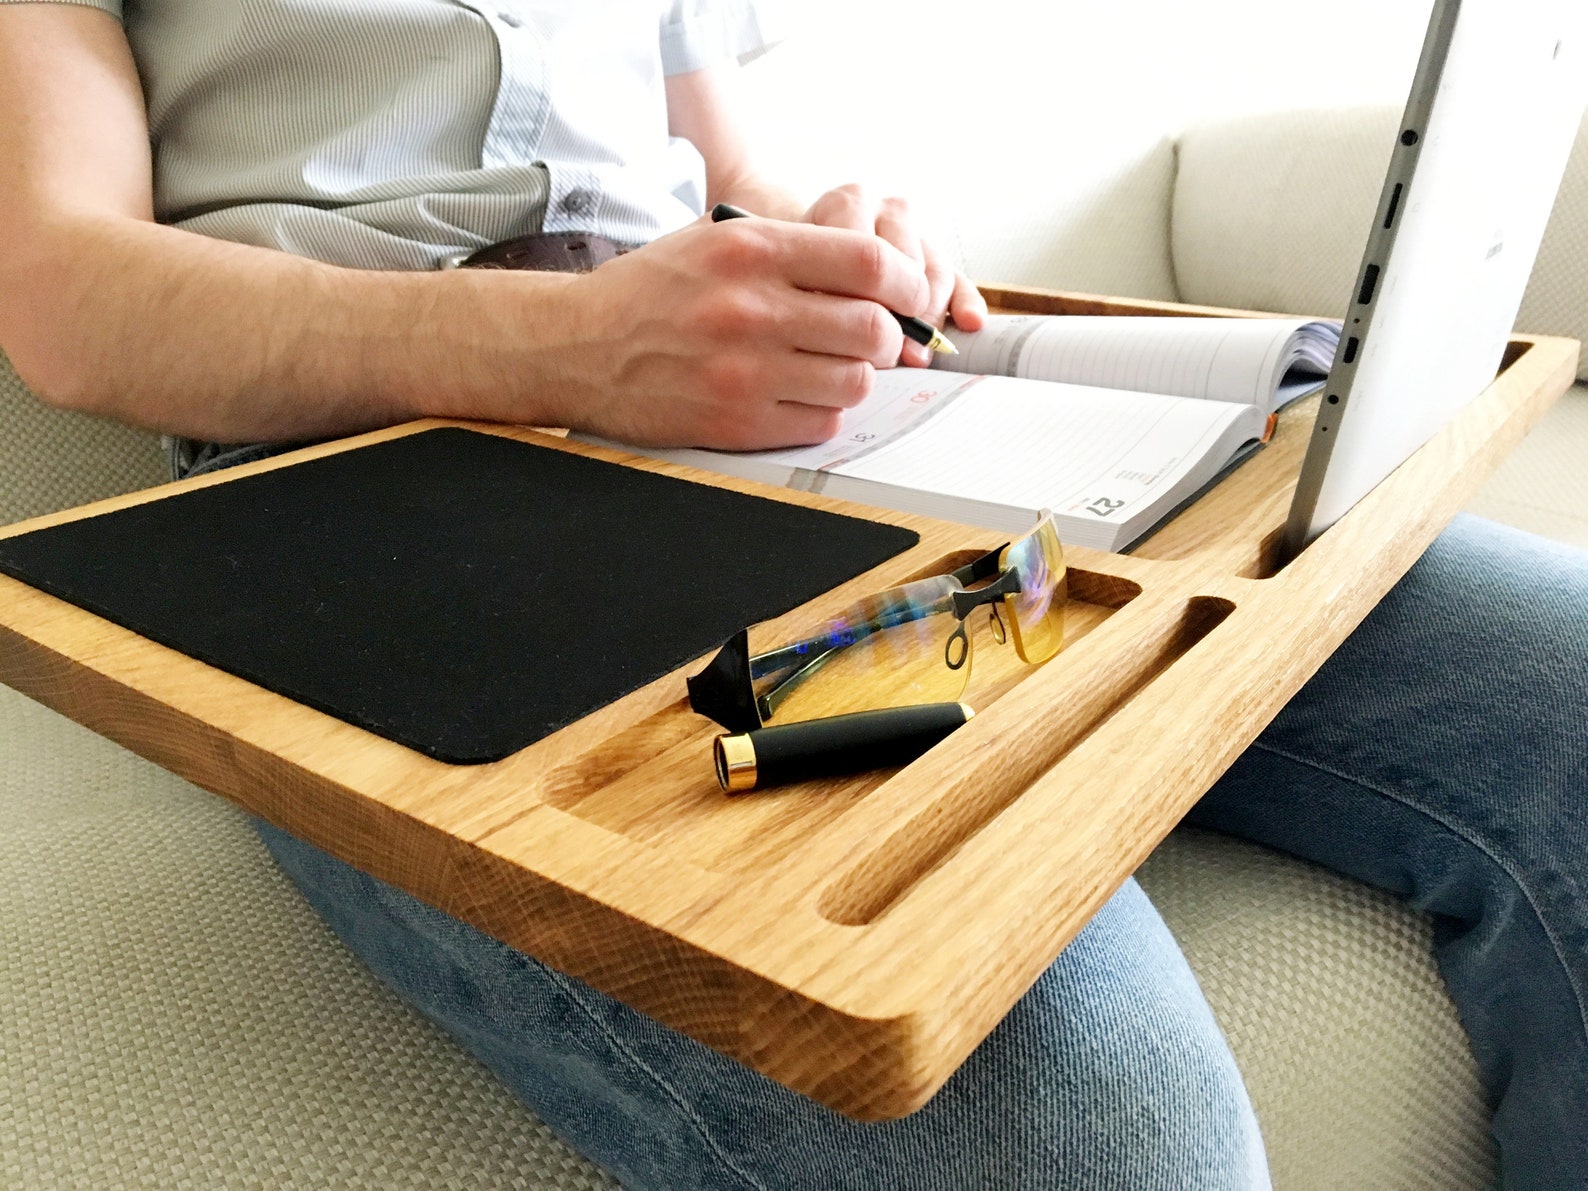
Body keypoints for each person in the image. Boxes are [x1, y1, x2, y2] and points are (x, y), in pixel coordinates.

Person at [0, 2, 1582, 1187]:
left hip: (753, 425)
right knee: (1090, 1132)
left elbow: (735, 180)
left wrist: (837, 243)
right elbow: (62, 294)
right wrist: (579, 348)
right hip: (381, 485)